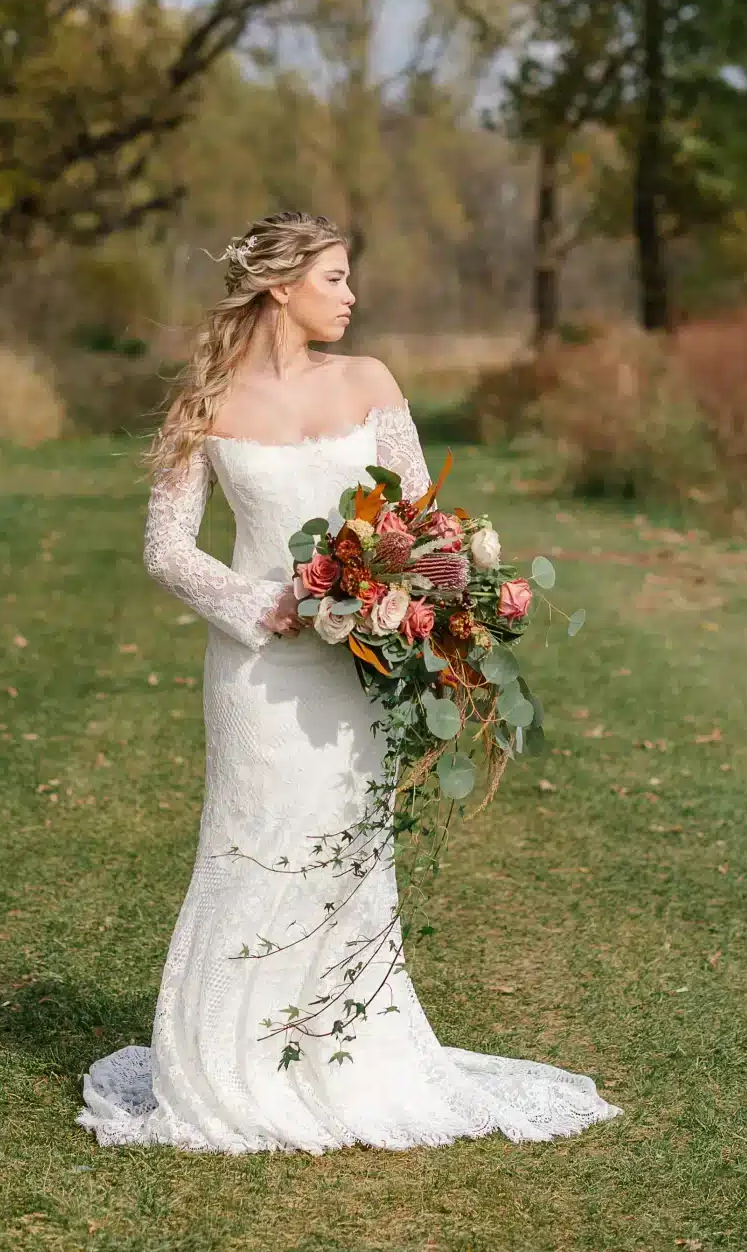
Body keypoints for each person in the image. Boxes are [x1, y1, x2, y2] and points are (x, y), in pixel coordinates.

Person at [76, 211, 619, 1153]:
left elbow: (420, 522)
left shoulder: (370, 383)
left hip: (360, 664)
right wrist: (262, 604)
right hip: (256, 668)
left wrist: (411, 603)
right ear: (282, 286)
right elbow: (166, 550)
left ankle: (345, 1054)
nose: (352, 296)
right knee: (253, 841)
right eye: (335, 278)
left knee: (346, 848)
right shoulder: (204, 402)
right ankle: (233, 1061)